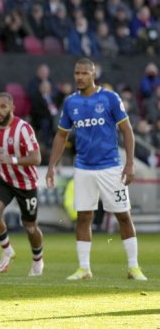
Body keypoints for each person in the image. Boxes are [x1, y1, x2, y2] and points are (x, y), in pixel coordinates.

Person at [46, 58, 147, 281]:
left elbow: (127, 131)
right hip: (83, 168)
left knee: (122, 215)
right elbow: (61, 135)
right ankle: (84, 268)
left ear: (93, 75)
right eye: (76, 73)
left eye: (84, 73)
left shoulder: (109, 98)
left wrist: (129, 163)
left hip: (111, 167)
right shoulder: (70, 102)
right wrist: (52, 166)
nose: (79, 77)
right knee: (83, 217)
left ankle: (133, 266)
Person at [0, 93, 44, 276]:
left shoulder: (23, 129)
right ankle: (7, 249)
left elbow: (37, 158)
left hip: (26, 183)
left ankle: (38, 259)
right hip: (3, 179)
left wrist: (12, 159)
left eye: (3, 107)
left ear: (12, 108)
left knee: (30, 226)